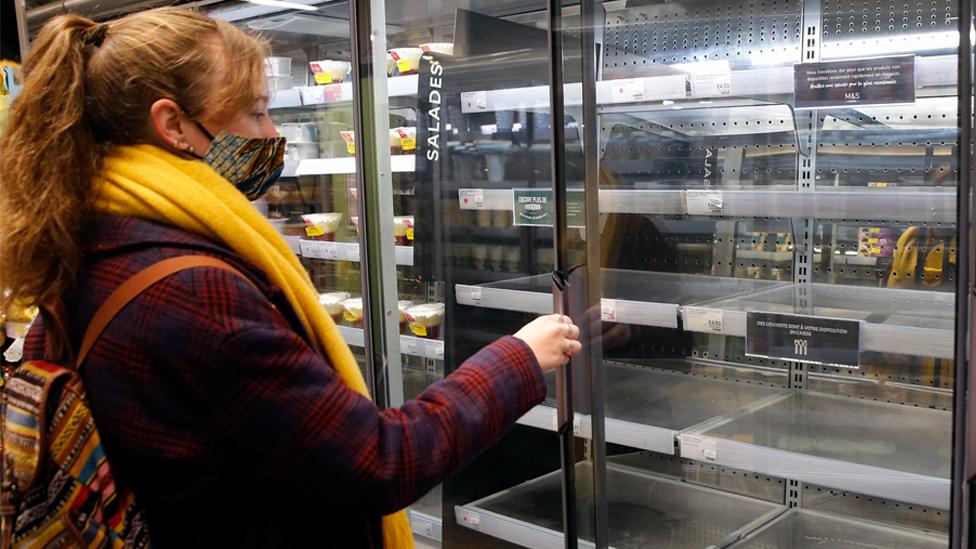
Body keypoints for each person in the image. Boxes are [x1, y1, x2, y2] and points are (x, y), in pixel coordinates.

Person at [0, 8, 581, 548]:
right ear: (173, 125)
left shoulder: (89, 244)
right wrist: (518, 357)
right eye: (255, 111)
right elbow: (382, 462)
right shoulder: (193, 294)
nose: (272, 131)